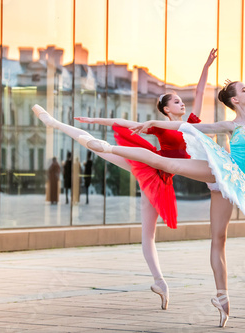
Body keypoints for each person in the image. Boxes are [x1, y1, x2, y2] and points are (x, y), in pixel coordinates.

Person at [63, 35, 245, 327]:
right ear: (235, 100)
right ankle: (109, 149)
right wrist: (155, 123)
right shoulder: (230, 125)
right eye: (244, 89)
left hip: (236, 184)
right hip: (222, 170)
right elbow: (189, 127)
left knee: (219, 239)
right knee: (167, 162)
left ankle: (222, 298)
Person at [32, 48, 217, 310]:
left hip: (161, 180)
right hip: (149, 163)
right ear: (165, 109)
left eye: (180, 101)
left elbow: (199, 93)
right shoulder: (160, 125)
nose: (181, 103)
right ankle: (55, 123)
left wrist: (206, 66)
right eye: (175, 101)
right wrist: (96, 119)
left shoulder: (191, 123)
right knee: (99, 147)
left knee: (149, 235)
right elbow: (123, 121)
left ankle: (160, 283)